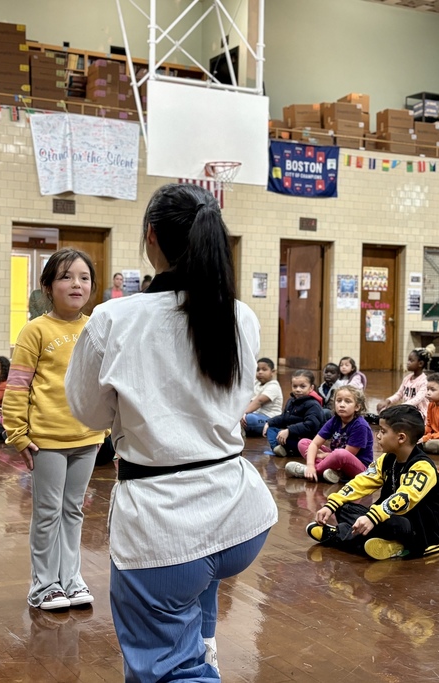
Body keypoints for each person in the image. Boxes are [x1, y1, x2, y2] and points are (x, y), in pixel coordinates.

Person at [64, 183, 277, 681]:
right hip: (238, 517)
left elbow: (90, 416)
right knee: (196, 591)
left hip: (166, 525)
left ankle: (193, 664)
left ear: (151, 237)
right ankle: (204, 646)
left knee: (168, 671)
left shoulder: (115, 319)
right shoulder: (239, 315)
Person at [2, 247, 107, 612]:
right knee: (48, 511)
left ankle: (71, 579)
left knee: (73, 509)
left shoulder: (96, 327)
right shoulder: (35, 330)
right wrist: (17, 433)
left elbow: (104, 382)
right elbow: (16, 386)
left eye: (83, 278)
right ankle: (43, 584)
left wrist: (106, 427)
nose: (76, 284)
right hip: (45, 440)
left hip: (88, 438)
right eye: (66, 277)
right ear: (48, 286)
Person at [305, 404, 439, 561]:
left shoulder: (423, 467)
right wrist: (332, 504)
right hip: (388, 520)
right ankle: (383, 543)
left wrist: (372, 517)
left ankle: (339, 535)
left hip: (420, 534)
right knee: (344, 507)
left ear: (401, 438)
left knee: (385, 522)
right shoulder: (387, 459)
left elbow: (405, 497)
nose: (378, 436)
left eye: (383, 432)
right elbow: (362, 481)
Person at [286, 385, 374, 483]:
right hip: (335, 459)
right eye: (339, 400)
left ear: (357, 407)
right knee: (303, 443)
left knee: (340, 453)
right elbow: (314, 444)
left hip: (359, 469)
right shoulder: (335, 420)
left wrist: (324, 456)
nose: (342, 404)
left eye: (347, 401)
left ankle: (309, 471)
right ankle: (329, 472)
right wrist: (310, 465)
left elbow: (347, 454)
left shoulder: (360, 425)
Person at [263, 369, 324, 457]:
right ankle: (278, 448)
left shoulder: (313, 404)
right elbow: (284, 417)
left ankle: (285, 448)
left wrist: (289, 430)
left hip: (304, 439)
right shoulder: (291, 401)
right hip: (291, 435)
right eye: (295, 386)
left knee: (300, 443)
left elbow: (311, 425)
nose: (298, 389)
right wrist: (269, 422)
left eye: (302, 386)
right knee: (271, 428)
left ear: (311, 388)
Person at [376, 344, 434, 419]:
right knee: (383, 410)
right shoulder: (407, 378)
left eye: (411, 360)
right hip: (406, 410)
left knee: (393, 417)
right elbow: (399, 394)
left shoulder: (424, 381)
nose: (408, 363)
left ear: (420, 363)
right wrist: (387, 401)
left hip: (419, 414)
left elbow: (416, 400)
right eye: (408, 360)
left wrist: (399, 407)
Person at [240, 357, 283, 437]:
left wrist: (243, 413)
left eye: (264, 369)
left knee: (250, 419)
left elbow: (259, 401)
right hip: (257, 415)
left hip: (269, 419)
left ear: (273, 372)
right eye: (258, 370)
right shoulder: (256, 384)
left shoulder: (274, 386)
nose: (260, 372)